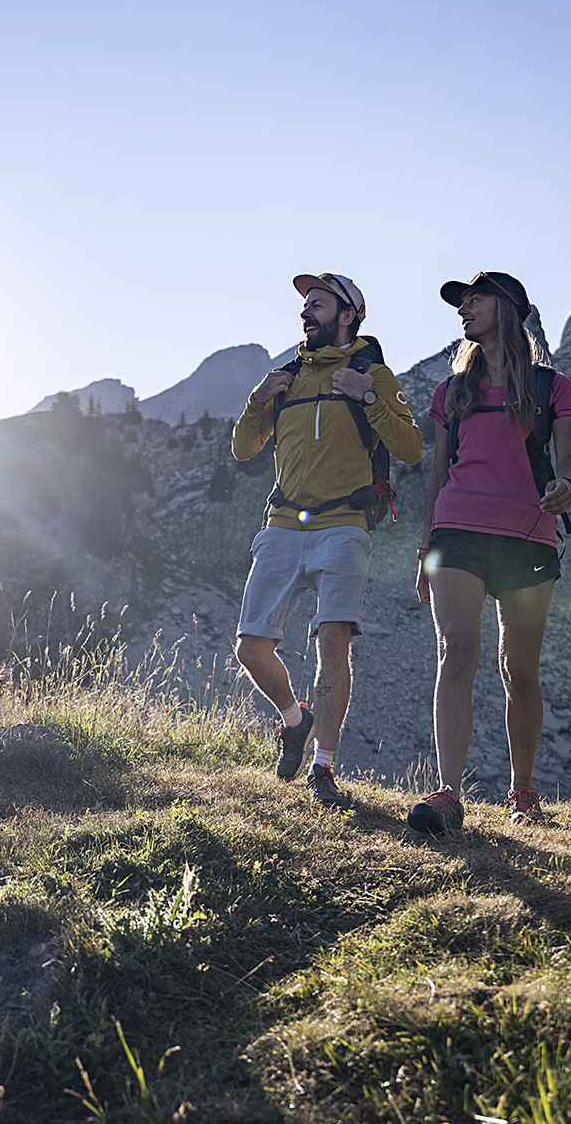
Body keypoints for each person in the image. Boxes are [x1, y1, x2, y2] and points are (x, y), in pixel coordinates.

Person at [231, 273, 424, 806]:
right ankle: (295, 721)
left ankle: (323, 768)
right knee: (251, 648)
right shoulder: (285, 377)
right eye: (303, 305)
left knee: (332, 643)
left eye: (316, 303)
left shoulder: (374, 374)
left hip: (344, 525)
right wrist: (256, 401)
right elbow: (244, 448)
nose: (305, 312)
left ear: (349, 314)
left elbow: (411, 448)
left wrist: (369, 398)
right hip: (282, 525)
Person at [407, 271, 571, 835]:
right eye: (462, 303)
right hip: (456, 534)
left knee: (519, 670)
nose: (464, 309)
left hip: (528, 535)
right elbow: (437, 475)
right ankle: (448, 794)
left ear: (507, 309)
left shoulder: (551, 387)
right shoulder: (449, 391)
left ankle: (523, 791)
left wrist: (567, 486)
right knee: (457, 651)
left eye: (475, 300)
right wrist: (425, 549)